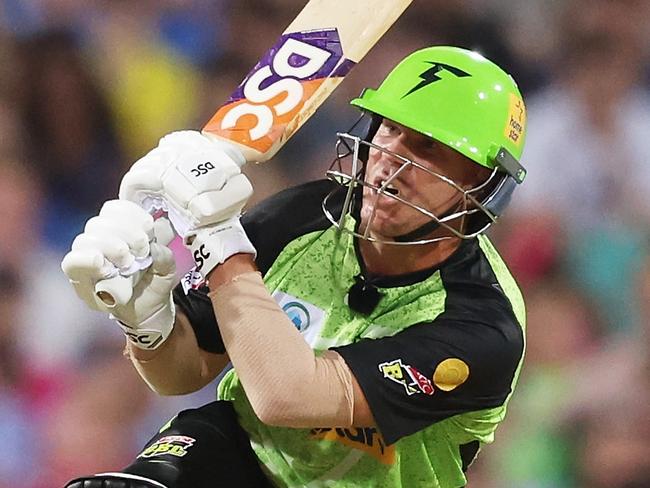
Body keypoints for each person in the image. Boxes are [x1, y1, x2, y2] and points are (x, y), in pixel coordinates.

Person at [61, 46, 528, 488]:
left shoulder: (482, 326)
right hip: (241, 456)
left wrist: (219, 240)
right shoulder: (304, 218)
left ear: (483, 186)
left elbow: (289, 396)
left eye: (428, 148)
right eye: (389, 129)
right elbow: (182, 375)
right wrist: (147, 322)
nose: (390, 160)